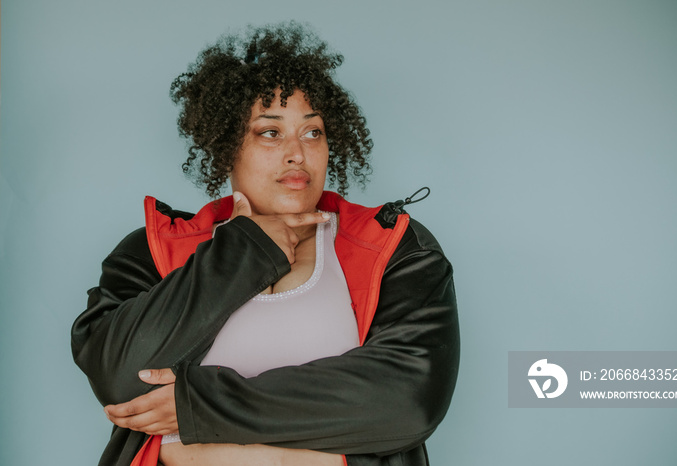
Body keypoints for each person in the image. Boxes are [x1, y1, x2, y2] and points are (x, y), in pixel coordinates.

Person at [71, 22, 460, 466]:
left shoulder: (391, 246)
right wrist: (244, 251)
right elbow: (122, 380)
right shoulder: (155, 249)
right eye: (270, 132)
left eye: (313, 132)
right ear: (226, 146)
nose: (298, 152)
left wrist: (196, 406)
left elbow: (407, 400)